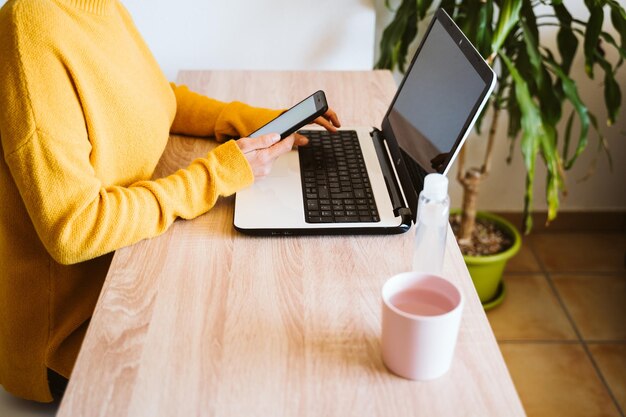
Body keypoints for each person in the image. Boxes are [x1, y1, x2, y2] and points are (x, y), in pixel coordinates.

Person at [0, 0, 340, 402]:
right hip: (74, 332)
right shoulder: (30, 27)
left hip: (129, 261)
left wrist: (250, 123)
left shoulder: (103, 8)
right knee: (262, 363)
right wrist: (214, 175)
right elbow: (73, 228)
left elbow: (156, 99)